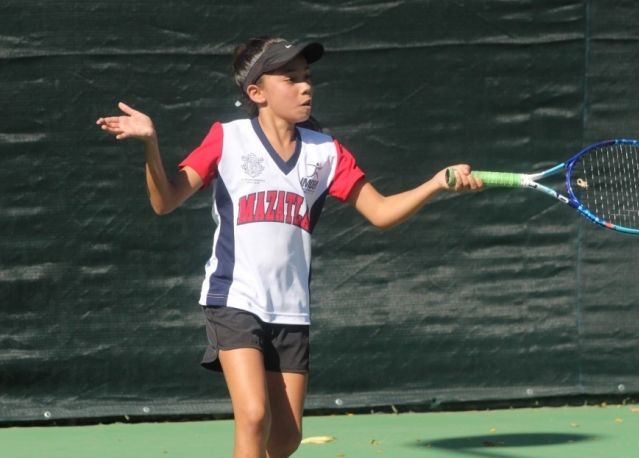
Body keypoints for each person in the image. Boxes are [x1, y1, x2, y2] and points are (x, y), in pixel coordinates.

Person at [96, 36, 482, 458]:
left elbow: (382, 212)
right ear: (256, 93)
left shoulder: (327, 152)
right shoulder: (227, 138)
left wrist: (435, 183)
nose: (305, 87)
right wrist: (151, 143)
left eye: (307, 78)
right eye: (291, 79)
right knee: (255, 415)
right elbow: (164, 200)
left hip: (291, 309)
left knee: (285, 439)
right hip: (234, 298)